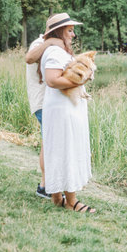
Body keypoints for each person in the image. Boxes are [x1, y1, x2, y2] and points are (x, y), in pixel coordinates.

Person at [39, 12, 95, 213]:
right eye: (70, 31)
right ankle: (71, 202)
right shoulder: (55, 52)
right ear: (59, 31)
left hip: (64, 108)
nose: (73, 35)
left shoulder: (58, 50)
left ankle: (57, 197)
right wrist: (83, 79)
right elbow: (52, 80)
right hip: (62, 110)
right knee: (67, 150)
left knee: (61, 149)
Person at [25, 32, 65, 199]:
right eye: (68, 30)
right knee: (49, 143)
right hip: (43, 103)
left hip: (50, 103)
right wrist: (49, 43)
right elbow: (29, 58)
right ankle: (46, 186)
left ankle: (46, 185)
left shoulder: (53, 45)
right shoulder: (39, 43)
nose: (73, 34)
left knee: (47, 142)